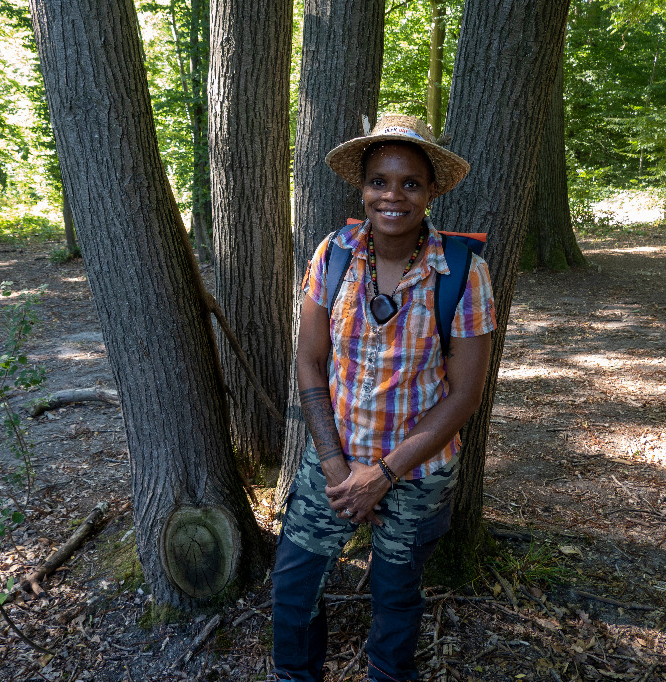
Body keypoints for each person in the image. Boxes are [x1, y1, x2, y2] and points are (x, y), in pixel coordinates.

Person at [271, 115, 496, 682]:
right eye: (379, 181)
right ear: (362, 188)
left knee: (396, 599)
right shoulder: (335, 254)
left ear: (431, 191)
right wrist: (336, 468)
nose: (392, 195)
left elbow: (465, 393)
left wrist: (385, 474)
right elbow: (310, 361)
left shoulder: (464, 273)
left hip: (417, 472)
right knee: (294, 592)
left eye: (409, 183)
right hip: (332, 461)